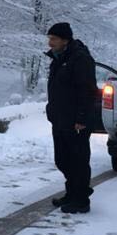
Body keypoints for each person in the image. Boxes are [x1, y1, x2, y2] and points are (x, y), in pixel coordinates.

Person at [45, 22, 97, 214]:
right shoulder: (59, 59)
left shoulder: (80, 59)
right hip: (59, 118)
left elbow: (87, 90)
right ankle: (72, 192)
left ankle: (81, 199)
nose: (50, 43)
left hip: (76, 120)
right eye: (49, 39)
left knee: (78, 160)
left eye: (54, 39)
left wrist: (81, 117)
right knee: (62, 159)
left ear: (65, 40)